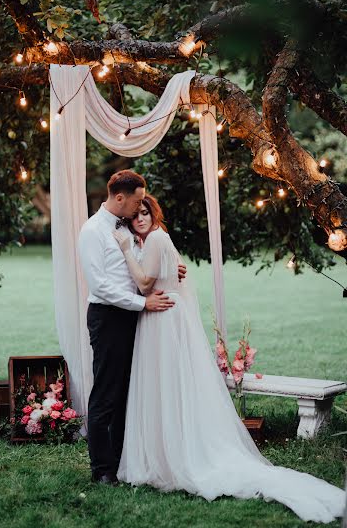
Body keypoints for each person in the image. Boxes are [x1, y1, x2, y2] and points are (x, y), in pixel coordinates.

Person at [113, 194, 345, 524]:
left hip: (162, 320)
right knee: (166, 385)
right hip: (161, 318)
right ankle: (166, 450)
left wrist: (124, 249)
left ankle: (171, 455)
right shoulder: (153, 241)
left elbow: (145, 282)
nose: (140, 219)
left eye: (145, 212)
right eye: (135, 215)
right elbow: (165, 275)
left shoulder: (155, 238)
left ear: (154, 214)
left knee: (166, 384)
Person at [78, 171, 186, 485]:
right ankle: (102, 469)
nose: (141, 206)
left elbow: (141, 269)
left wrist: (170, 266)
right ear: (120, 197)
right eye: (137, 200)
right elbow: (99, 285)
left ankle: (124, 459)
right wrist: (143, 304)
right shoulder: (92, 231)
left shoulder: (128, 227)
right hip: (108, 317)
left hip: (134, 317)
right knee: (106, 393)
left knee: (130, 390)